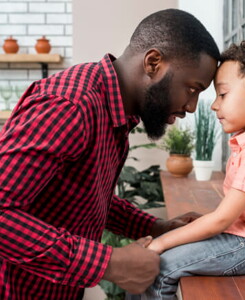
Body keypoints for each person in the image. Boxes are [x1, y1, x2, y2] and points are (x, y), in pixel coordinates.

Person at [0, 9, 220, 300]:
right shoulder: (72, 105)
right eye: (192, 88)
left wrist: (155, 227)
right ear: (153, 62)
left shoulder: (115, 113)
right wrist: (108, 263)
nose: (191, 106)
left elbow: (82, 194)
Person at [135, 40, 245, 299]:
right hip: (240, 237)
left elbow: (221, 219)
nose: (213, 105)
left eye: (222, 94)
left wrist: (161, 243)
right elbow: (227, 218)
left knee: (158, 267)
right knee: (144, 263)